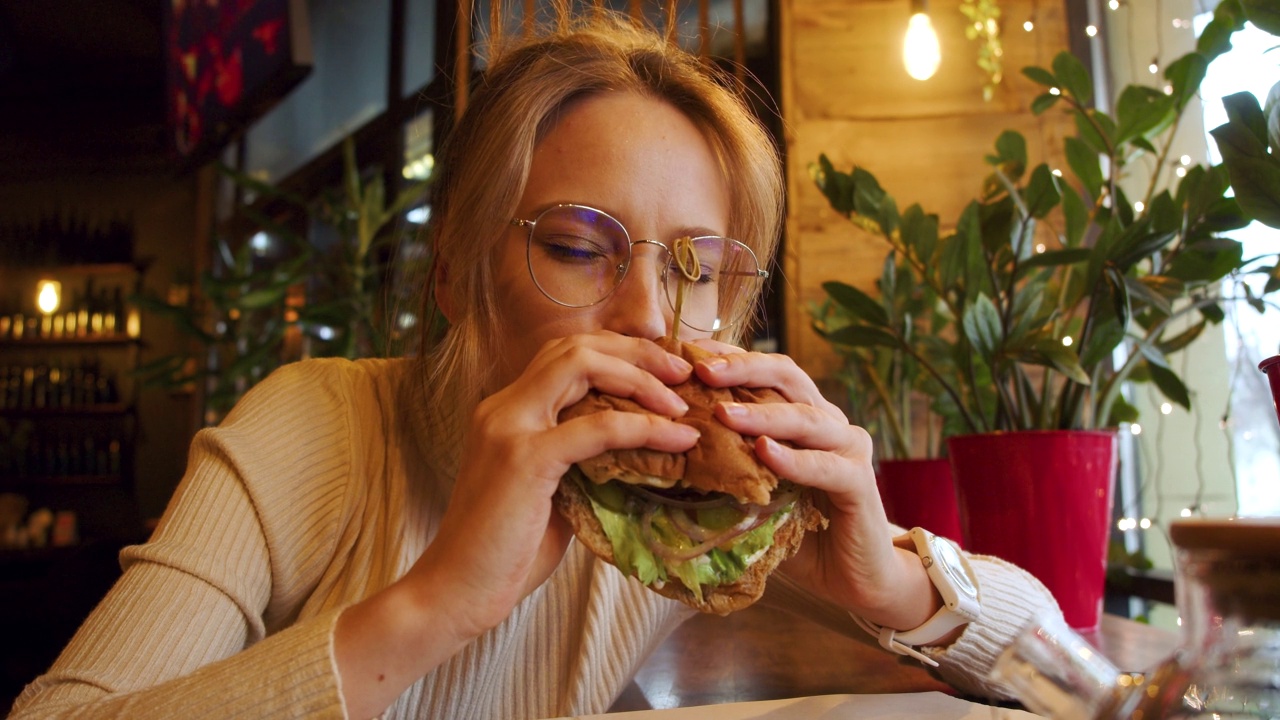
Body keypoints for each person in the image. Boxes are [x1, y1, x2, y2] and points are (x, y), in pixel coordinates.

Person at [11, 12, 1061, 720]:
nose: (650, 315)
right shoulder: (315, 426)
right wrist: (437, 603)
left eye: (695, 268)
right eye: (574, 247)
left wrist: (886, 583)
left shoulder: (683, 501)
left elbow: (1071, 681)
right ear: (457, 275)